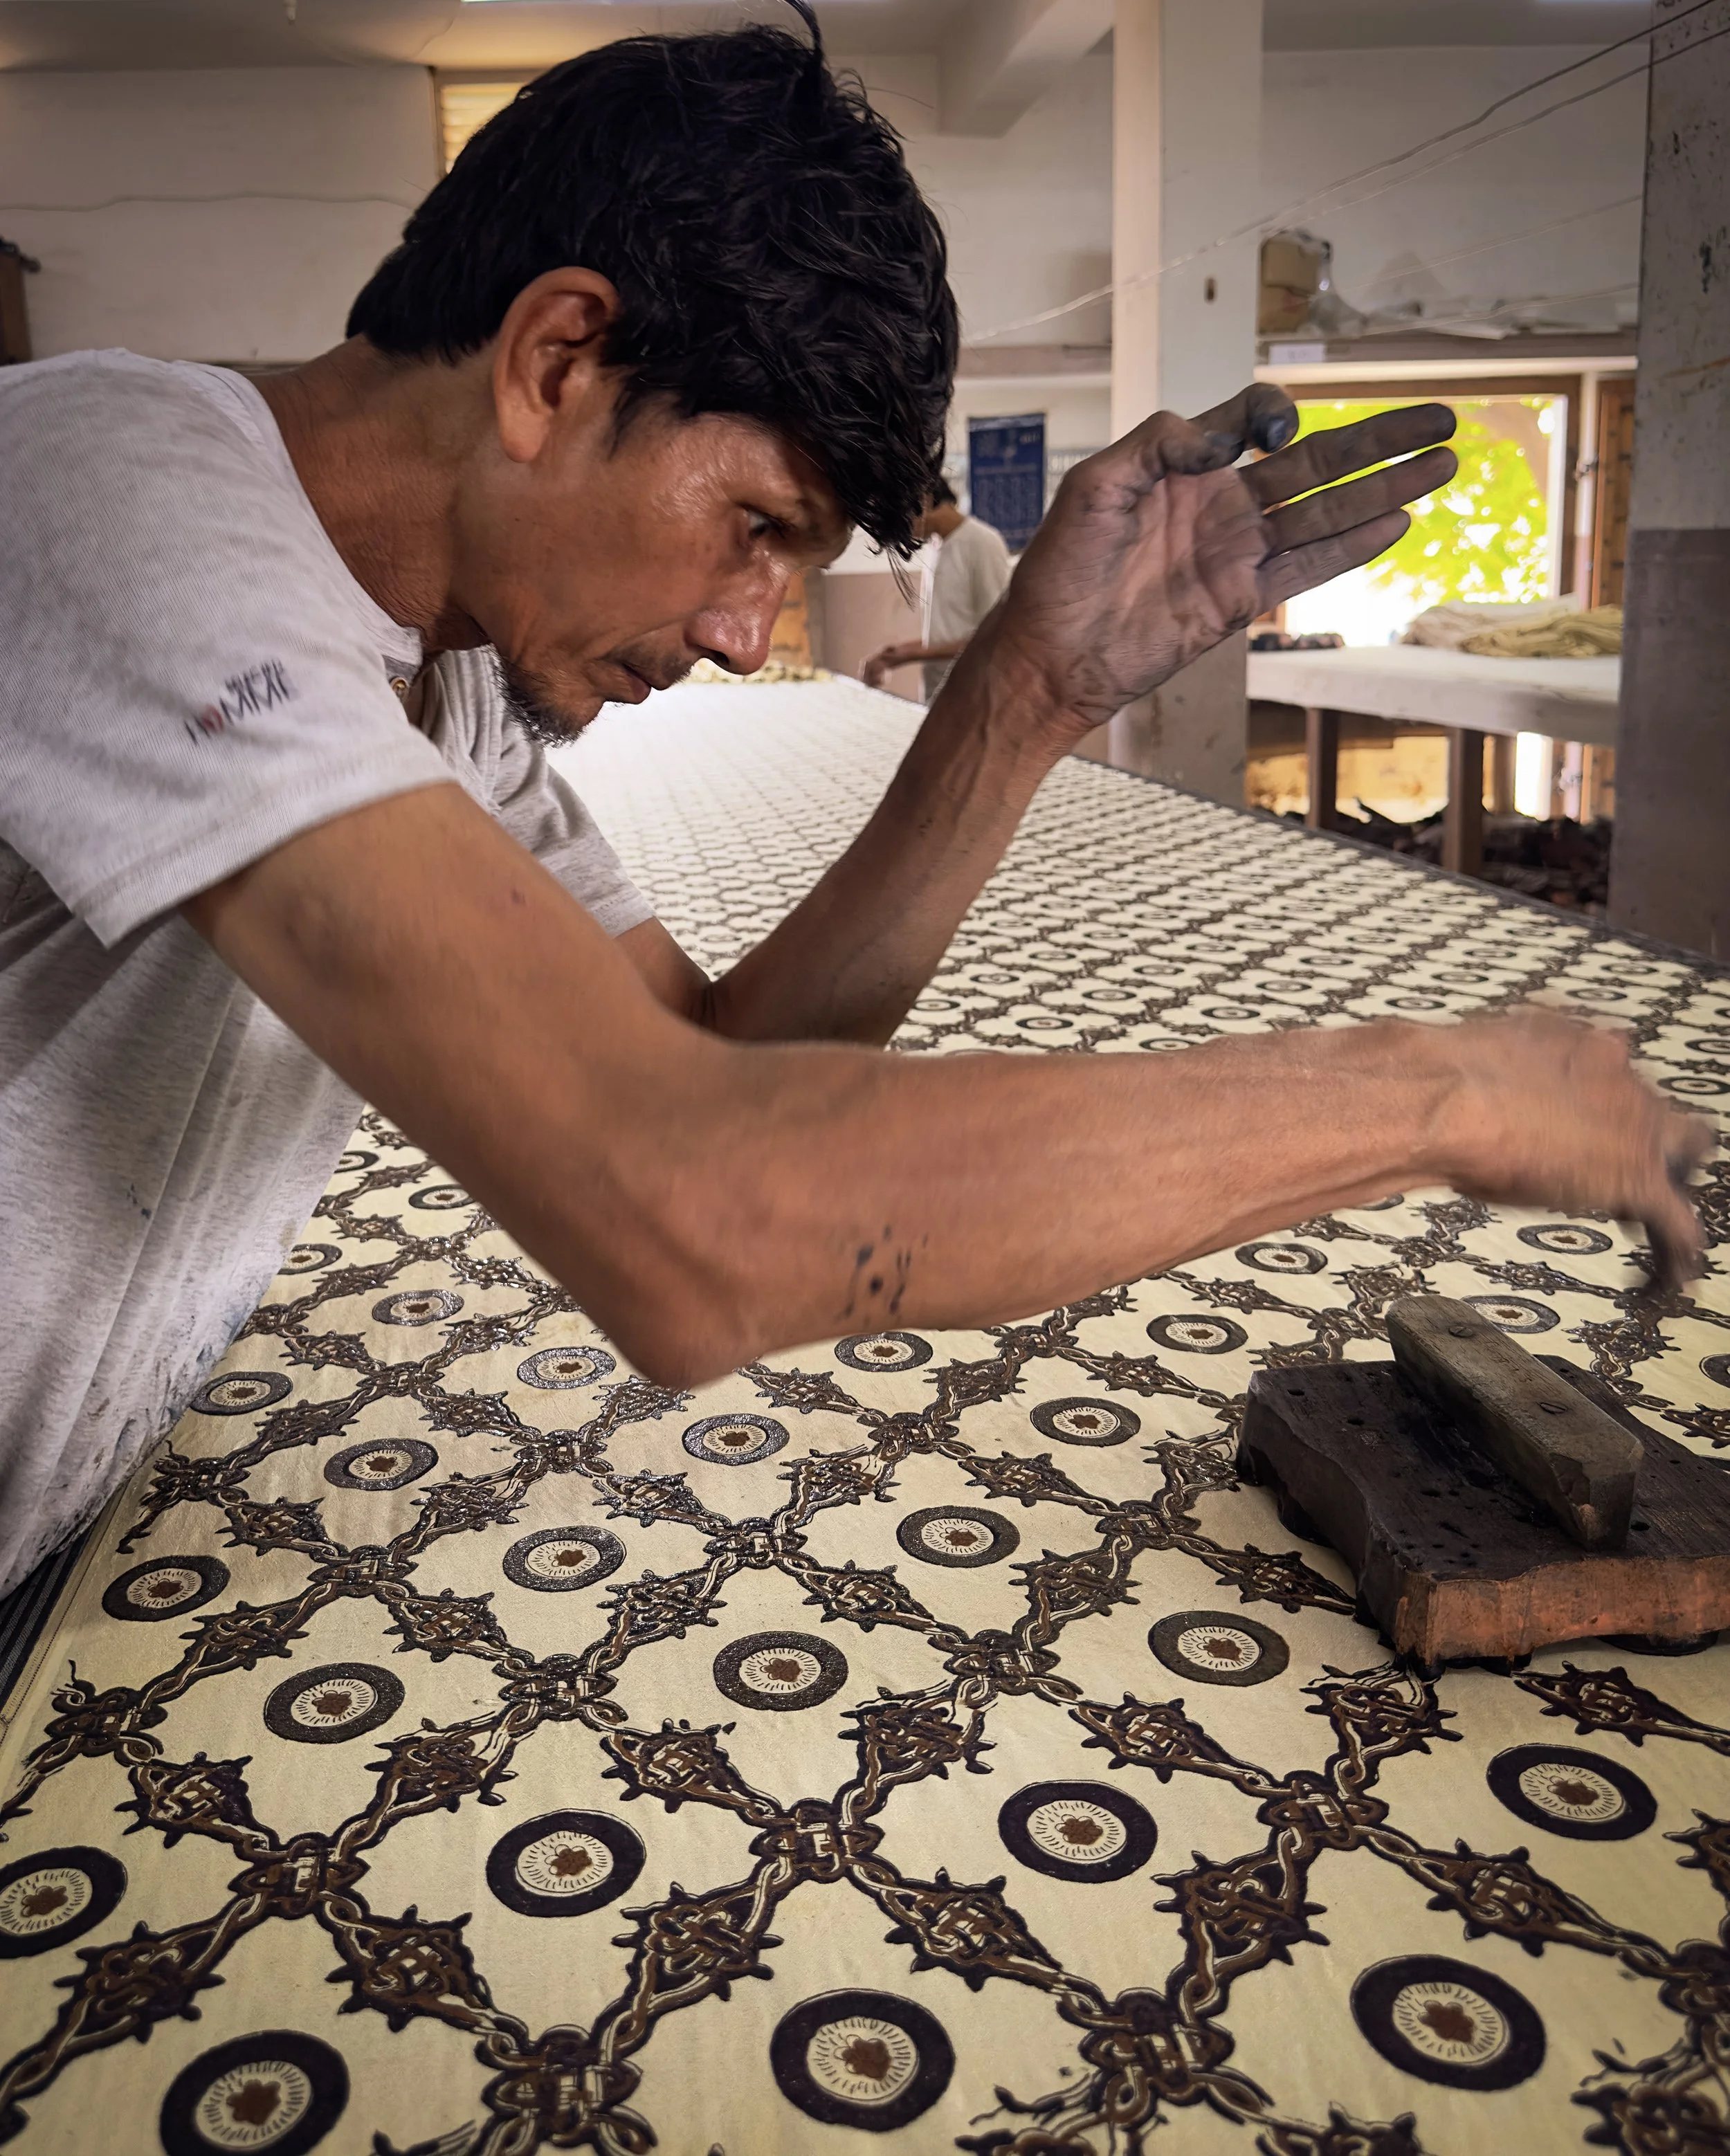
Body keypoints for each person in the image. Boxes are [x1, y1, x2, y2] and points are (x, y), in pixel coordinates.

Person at [0, 10, 1708, 1600]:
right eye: (755, 520)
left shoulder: (448, 682)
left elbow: (730, 1080)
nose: (754, 636)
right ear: (557, 359)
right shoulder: (112, 495)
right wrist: (1427, 1090)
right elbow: (690, 1218)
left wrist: (1023, 698)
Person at [862, 477, 1012, 700]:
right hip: (938, 690)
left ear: (925, 500)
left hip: (974, 693)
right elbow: (949, 633)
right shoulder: (937, 546)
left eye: (902, 520)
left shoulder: (982, 542)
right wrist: (893, 655)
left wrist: (911, 654)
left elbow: (997, 636)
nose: (902, 532)